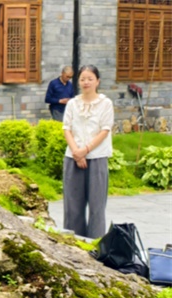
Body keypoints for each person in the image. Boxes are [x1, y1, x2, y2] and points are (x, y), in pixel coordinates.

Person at [62, 64, 113, 239]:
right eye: (82, 79)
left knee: (97, 207)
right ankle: (74, 245)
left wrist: (85, 150)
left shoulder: (105, 104)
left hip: (97, 158)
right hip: (73, 158)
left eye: (90, 79)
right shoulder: (73, 104)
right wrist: (76, 153)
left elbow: (105, 130)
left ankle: (95, 245)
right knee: (72, 207)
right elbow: (67, 128)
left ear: (97, 81)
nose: (86, 82)